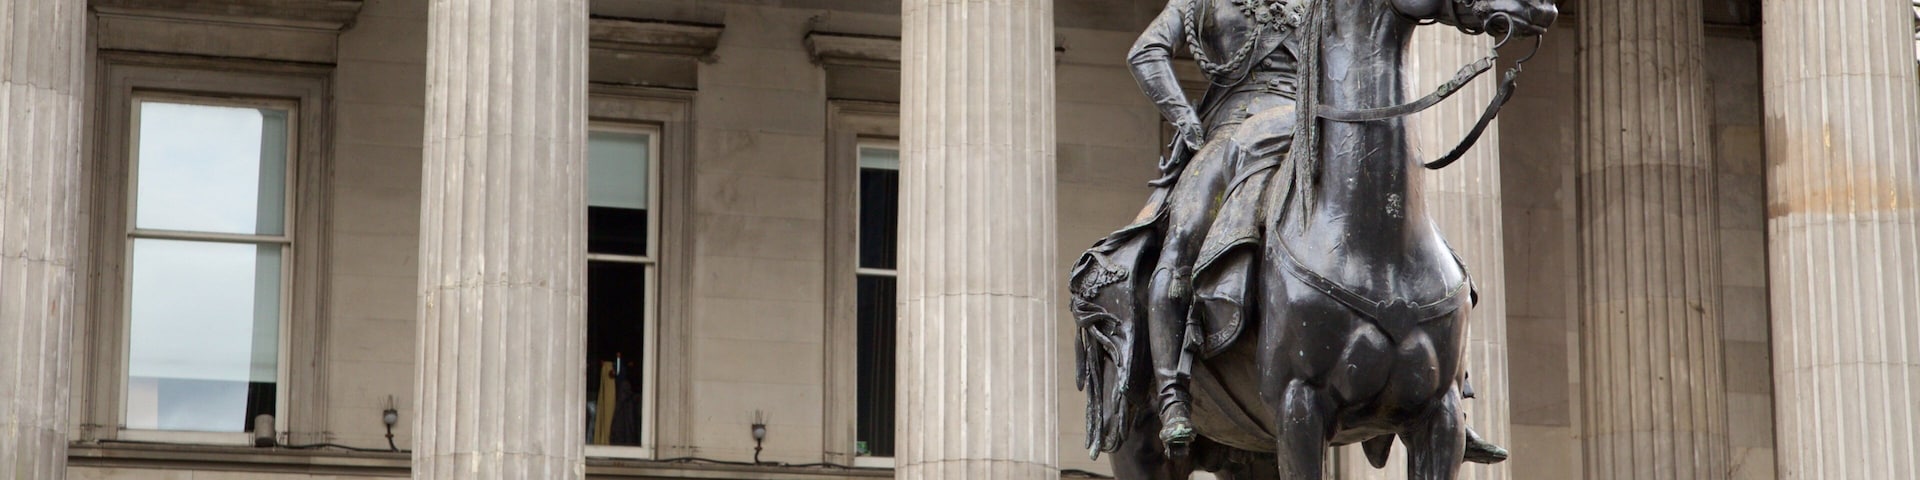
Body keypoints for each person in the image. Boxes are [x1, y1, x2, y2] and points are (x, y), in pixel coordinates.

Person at [1121, 0, 1508, 462]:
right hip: (1232, 134)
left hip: (1314, 127)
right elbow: (1146, 51)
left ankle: (1452, 389)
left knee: (1404, 222)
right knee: (1182, 243)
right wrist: (1185, 119)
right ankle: (1172, 393)